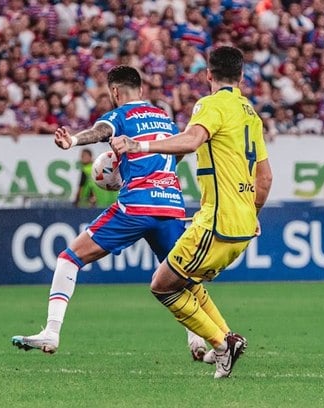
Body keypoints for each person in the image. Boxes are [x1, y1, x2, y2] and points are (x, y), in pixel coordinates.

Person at [11, 65, 208, 359]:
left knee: (69, 258)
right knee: (181, 277)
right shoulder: (164, 118)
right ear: (141, 89)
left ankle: (51, 331)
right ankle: (201, 342)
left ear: (115, 92)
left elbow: (100, 132)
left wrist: (73, 141)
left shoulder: (121, 116)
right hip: (170, 205)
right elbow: (177, 152)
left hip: (136, 205)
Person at [111, 46, 273, 378]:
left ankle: (221, 343)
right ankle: (226, 340)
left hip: (217, 222)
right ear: (241, 76)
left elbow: (190, 140)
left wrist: (140, 145)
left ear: (209, 75)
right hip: (243, 224)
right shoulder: (250, 113)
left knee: (163, 285)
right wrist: (252, 212)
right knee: (188, 282)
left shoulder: (210, 106)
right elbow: (266, 178)